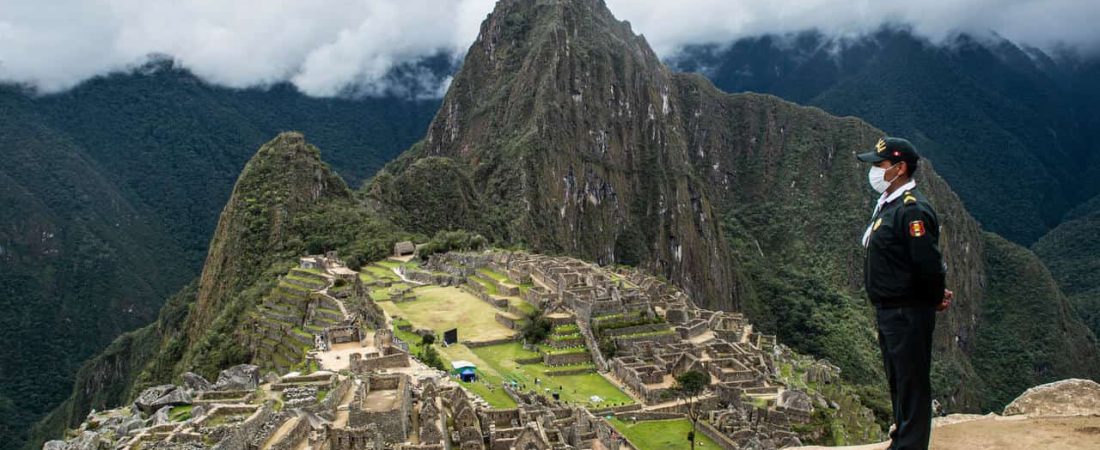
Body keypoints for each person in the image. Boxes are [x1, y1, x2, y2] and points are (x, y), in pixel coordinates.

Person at [857, 137, 954, 450]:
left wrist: (934, 296)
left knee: (912, 382)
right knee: (898, 379)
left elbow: (927, 262)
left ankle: (911, 446)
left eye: (879, 165)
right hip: (890, 311)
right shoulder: (890, 205)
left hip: (908, 311)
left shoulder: (912, 210)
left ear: (899, 168)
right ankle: (902, 439)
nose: (873, 170)